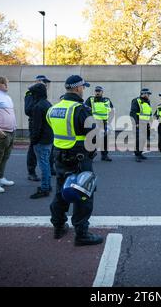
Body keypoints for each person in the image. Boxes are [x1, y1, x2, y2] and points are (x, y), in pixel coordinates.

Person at [47, 75, 103, 246]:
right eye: (83, 87)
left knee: (61, 192)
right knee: (84, 193)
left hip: (59, 156)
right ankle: (81, 233)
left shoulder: (53, 109)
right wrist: (91, 154)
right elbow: (92, 135)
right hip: (79, 157)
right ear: (78, 88)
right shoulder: (80, 109)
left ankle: (58, 226)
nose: (83, 90)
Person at [25, 75, 56, 181]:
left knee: (49, 147)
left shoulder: (43, 94)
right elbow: (27, 110)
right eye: (44, 82)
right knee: (33, 148)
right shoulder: (31, 94)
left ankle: (50, 168)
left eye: (46, 83)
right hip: (35, 124)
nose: (46, 84)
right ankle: (31, 172)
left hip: (46, 124)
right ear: (37, 82)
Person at [28, 83, 53, 199]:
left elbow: (36, 127)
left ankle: (44, 188)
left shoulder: (38, 106)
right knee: (46, 163)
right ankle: (48, 185)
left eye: (33, 93)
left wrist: (33, 140)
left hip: (41, 141)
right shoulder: (48, 104)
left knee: (43, 165)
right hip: (48, 139)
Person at [85, 86, 114, 161]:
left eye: (99, 91)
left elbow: (111, 111)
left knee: (105, 139)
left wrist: (109, 121)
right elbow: (85, 110)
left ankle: (104, 155)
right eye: (96, 91)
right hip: (94, 123)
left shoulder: (107, 100)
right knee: (93, 140)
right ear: (94, 92)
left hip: (104, 122)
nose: (97, 92)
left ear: (102, 92)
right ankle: (90, 155)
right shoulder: (90, 99)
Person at [130, 88, 152, 162]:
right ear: (144, 93)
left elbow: (148, 113)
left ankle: (140, 153)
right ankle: (137, 155)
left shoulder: (147, 101)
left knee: (143, 139)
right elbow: (133, 113)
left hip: (145, 123)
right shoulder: (136, 100)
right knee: (139, 140)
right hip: (139, 123)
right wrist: (136, 123)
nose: (149, 95)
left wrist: (149, 123)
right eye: (148, 94)